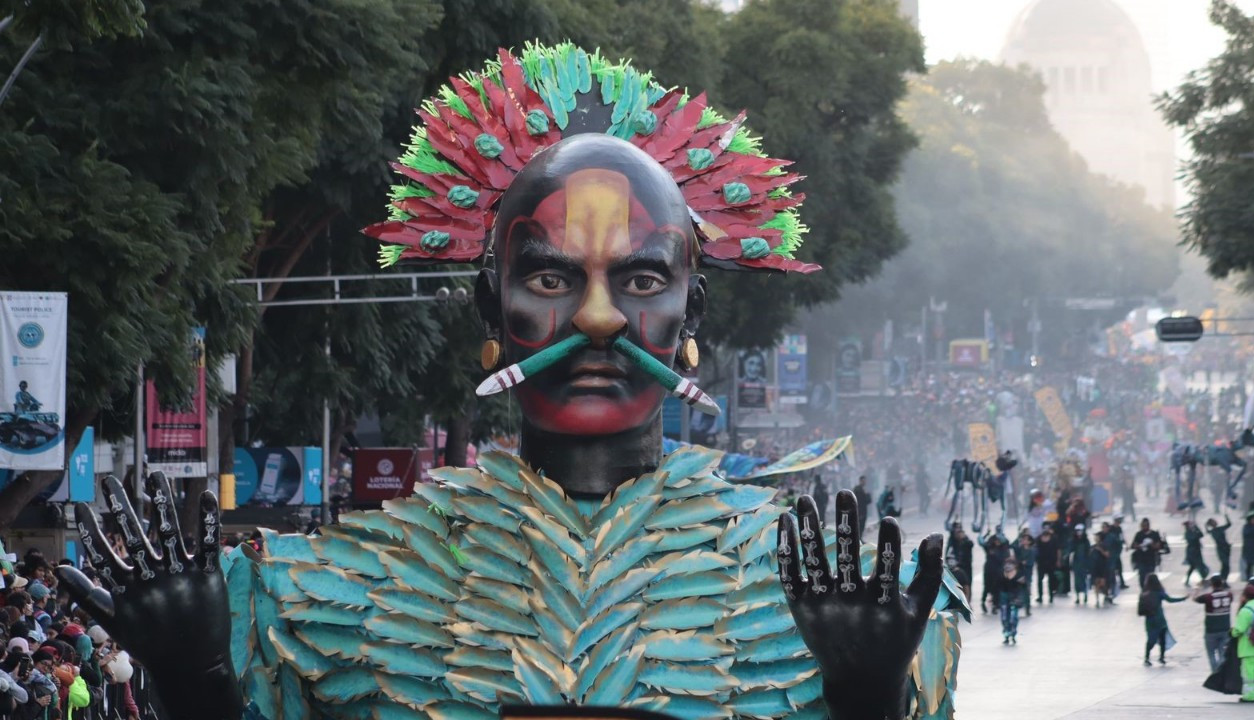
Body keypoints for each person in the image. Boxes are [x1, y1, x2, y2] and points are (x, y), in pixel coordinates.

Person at [53, 45, 965, 720]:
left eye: (642, 280)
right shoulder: (322, 591)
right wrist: (197, 677)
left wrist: (867, 695)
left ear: (695, 317)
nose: (599, 320)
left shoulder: (817, 594)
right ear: (493, 312)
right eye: (552, 278)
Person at [1138, 574, 1187, 666]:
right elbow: (1170, 600)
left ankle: (1147, 658)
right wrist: (1183, 598)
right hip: (1160, 620)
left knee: (1150, 640)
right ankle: (1161, 657)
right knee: (1162, 639)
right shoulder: (1159, 592)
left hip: (1150, 621)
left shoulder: (1144, 593)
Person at [1193, 574, 1233, 672]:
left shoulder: (1208, 597)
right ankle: (1221, 673)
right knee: (1222, 653)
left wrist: (1198, 588)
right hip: (1225, 629)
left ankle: (1215, 673)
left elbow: (1195, 598)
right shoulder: (1229, 595)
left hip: (1211, 630)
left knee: (1211, 654)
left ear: (1212, 584)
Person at [995, 555, 1025, 645]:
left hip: (1014, 596)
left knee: (1013, 617)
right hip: (1004, 596)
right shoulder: (1001, 573)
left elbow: (1023, 587)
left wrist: (1020, 598)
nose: (1008, 565)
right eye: (1007, 563)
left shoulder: (1019, 574)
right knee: (1004, 616)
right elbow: (996, 586)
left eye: (1011, 564)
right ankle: (1006, 635)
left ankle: (1013, 634)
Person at [1034, 527, 1059, 605]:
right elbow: (1035, 549)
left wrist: (1058, 560)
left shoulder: (1054, 539)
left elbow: (1058, 550)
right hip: (1041, 563)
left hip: (1051, 562)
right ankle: (1040, 596)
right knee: (1039, 581)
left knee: (1051, 580)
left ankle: (1051, 596)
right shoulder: (1038, 540)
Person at [1068, 524, 1091, 605]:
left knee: (1084, 579)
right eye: (1077, 531)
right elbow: (1070, 551)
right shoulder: (1073, 541)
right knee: (1076, 580)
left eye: (1080, 531)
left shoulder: (1086, 541)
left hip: (1084, 562)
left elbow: (1089, 552)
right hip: (1076, 562)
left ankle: (1085, 595)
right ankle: (1077, 597)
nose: (1079, 532)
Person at [1184, 520, 1210, 587]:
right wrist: (1195, 530)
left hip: (1196, 551)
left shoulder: (1192, 531)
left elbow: (1201, 535)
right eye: (1190, 525)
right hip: (1192, 552)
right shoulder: (1187, 533)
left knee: (1194, 567)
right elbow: (1194, 538)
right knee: (1198, 565)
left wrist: (1196, 527)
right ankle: (1203, 579)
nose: (1191, 526)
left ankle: (1188, 580)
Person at [1015, 532, 1036, 615]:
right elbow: (1013, 546)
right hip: (1019, 572)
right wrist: (1018, 537)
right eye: (1023, 539)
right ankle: (1019, 605)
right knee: (1017, 590)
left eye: (1025, 539)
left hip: (1027, 573)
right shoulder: (1019, 549)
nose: (1023, 541)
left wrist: (1024, 562)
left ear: (1029, 541)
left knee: (1026, 591)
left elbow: (1030, 562)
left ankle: (1027, 608)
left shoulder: (1031, 550)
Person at [1089, 531, 1112, 608]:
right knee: (1096, 584)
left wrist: (1101, 550)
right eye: (1095, 537)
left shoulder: (1104, 546)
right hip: (1095, 568)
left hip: (1103, 567)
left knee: (1103, 583)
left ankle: (1106, 595)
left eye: (1097, 537)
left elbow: (1107, 555)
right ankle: (1097, 600)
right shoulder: (1093, 546)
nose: (1096, 538)